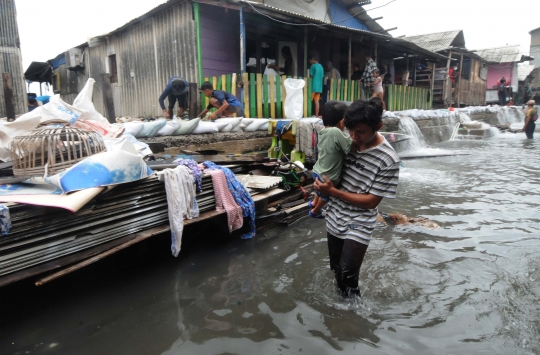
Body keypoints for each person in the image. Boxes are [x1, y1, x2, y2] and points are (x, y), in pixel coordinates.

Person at [314, 97, 400, 297]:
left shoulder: (388, 159)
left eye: (361, 132)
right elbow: (328, 165)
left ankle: (353, 320)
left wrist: (332, 192)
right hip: (334, 215)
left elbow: (371, 202)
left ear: (377, 126)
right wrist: (319, 185)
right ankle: (341, 315)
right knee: (336, 269)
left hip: (359, 220)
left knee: (348, 276)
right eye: (350, 131)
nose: (354, 137)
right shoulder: (344, 140)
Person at [308, 101, 352, 219]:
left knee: (320, 191)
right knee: (325, 195)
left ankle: (313, 203)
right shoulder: (336, 131)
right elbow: (348, 148)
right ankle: (316, 211)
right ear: (342, 121)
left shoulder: (323, 131)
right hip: (328, 176)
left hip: (318, 170)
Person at [309, 52, 324, 117]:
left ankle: (308, 114)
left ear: (312, 59)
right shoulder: (321, 67)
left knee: (309, 100)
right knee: (316, 101)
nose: (309, 61)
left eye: (309, 60)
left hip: (313, 86)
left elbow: (310, 77)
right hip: (319, 87)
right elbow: (322, 76)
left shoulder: (312, 66)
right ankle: (316, 115)